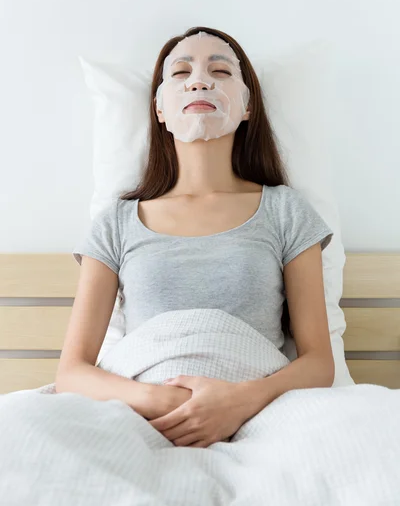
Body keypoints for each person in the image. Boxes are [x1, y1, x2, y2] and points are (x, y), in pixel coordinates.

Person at [56, 26, 335, 449]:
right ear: (159, 109)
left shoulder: (286, 211)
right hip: (141, 416)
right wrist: (161, 400)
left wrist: (237, 402)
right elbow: (72, 373)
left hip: (260, 417)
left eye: (220, 71)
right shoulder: (116, 222)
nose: (199, 80)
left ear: (246, 107)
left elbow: (318, 364)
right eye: (181, 72)